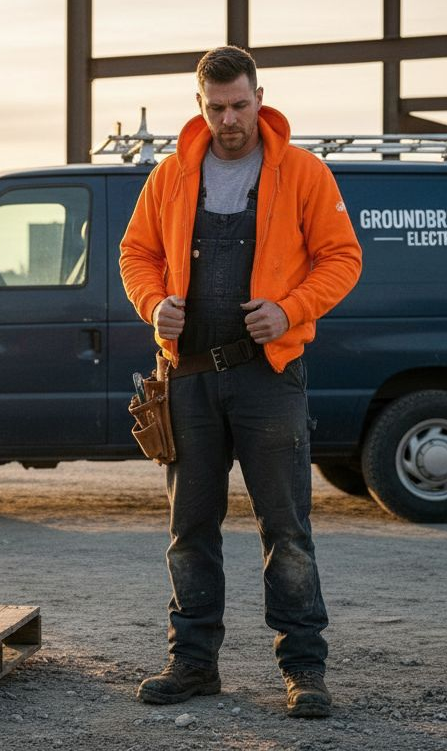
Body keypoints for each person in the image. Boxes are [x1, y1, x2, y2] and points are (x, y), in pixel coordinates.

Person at [119, 46, 363, 718]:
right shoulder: (171, 176)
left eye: (240, 105)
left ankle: (304, 669)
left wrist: (290, 309)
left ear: (261, 96)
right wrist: (152, 304)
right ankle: (193, 663)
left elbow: (342, 257)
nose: (230, 120)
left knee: (286, 528)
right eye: (216, 107)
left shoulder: (304, 173)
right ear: (200, 106)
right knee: (190, 528)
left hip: (268, 379)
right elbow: (135, 253)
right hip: (188, 380)